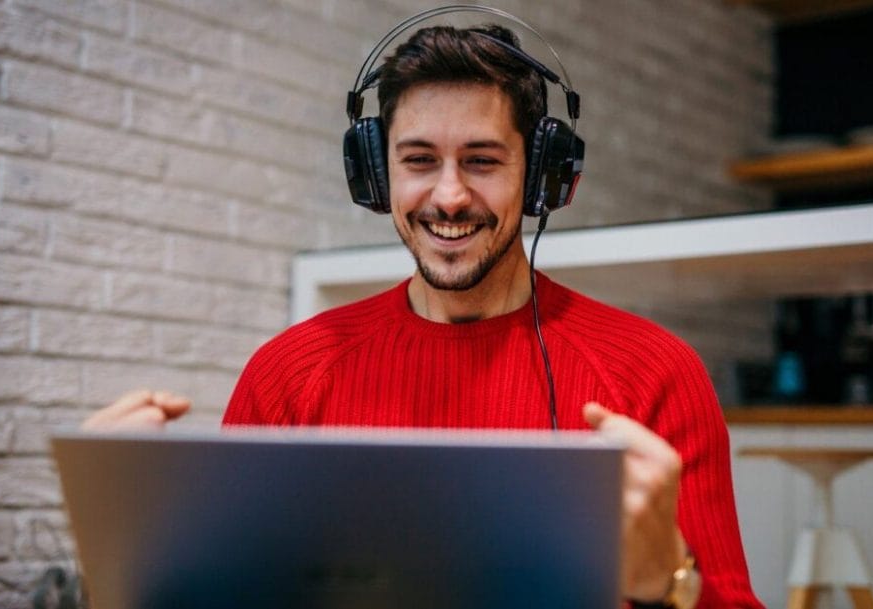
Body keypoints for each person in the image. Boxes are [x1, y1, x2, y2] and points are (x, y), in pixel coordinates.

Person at [84, 20, 763, 609]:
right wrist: (120, 558)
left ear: (542, 176)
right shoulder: (288, 375)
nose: (449, 195)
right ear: (377, 176)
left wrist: (671, 582)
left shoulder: (653, 373)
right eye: (418, 160)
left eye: (482, 160)